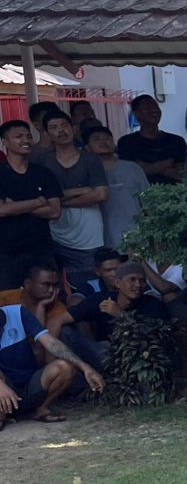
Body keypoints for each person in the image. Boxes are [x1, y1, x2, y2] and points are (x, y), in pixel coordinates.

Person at [0, 293, 105, 426]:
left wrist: (85, 367)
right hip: (4, 386)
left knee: (65, 367)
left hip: (30, 383)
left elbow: (51, 343)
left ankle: (41, 408)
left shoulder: (17, 312)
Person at [37, 110, 107, 290]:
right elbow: (40, 197)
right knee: (57, 283)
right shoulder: (43, 161)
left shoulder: (90, 159)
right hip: (54, 229)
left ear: (73, 128)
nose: (61, 131)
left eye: (64, 126)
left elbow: (100, 194)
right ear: (46, 134)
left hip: (88, 230)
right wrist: (82, 191)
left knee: (91, 282)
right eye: (54, 127)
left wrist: (58, 201)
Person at [1, 118, 63, 290]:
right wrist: (38, 201)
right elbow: (2, 210)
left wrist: (17, 207)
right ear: (5, 142)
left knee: (49, 295)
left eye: (28, 136)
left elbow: (55, 211)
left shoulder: (43, 173)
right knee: (9, 302)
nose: (26, 140)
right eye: (18, 136)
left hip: (41, 248)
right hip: (7, 251)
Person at [85, 126, 147, 249]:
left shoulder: (132, 167)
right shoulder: (85, 170)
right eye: (96, 139)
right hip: (100, 238)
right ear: (86, 147)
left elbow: (148, 200)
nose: (103, 142)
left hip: (135, 235)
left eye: (107, 138)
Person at [116, 94, 187, 185]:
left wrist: (148, 167)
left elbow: (181, 174)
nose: (153, 110)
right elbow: (132, 172)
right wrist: (165, 165)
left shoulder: (176, 141)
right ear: (136, 114)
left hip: (173, 195)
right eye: (147, 107)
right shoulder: (126, 142)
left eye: (155, 106)